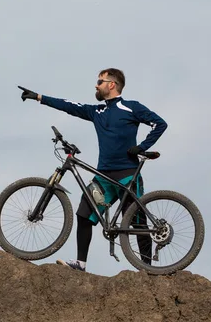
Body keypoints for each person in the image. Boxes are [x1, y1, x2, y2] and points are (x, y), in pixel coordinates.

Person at [19, 68, 168, 272]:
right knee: (84, 214)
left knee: (137, 223)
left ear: (112, 84)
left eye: (100, 81)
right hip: (104, 177)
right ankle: (80, 264)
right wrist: (38, 97)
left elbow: (160, 124)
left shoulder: (131, 107)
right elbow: (69, 106)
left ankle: (148, 270)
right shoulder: (97, 111)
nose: (96, 85)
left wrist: (142, 147)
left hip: (128, 174)